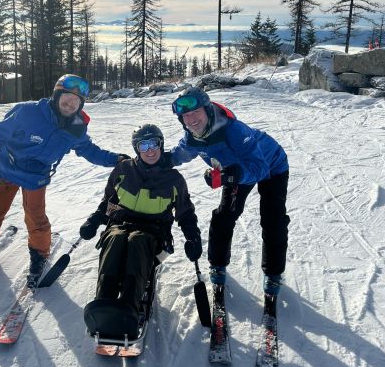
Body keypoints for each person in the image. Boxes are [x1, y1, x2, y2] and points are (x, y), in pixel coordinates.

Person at [0, 74, 129, 288]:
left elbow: (89, 150)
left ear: (81, 105)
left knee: (36, 219)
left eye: (76, 101)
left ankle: (39, 255)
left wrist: (115, 160)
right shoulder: (27, 113)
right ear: (56, 95)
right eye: (67, 97)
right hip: (5, 171)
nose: (70, 104)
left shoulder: (76, 128)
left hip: (35, 178)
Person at [170, 87, 290, 298]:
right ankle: (217, 264)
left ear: (207, 110)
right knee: (224, 216)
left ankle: (273, 272)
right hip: (234, 171)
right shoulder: (192, 137)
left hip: (272, 166)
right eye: (185, 116)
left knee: (273, 220)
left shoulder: (234, 131)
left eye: (195, 112)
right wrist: (155, 160)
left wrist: (227, 177)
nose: (191, 119)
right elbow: (180, 153)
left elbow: (260, 169)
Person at [79, 124, 202, 326]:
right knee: (115, 238)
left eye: (154, 144)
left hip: (154, 231)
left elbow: (185, 212)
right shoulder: (123, 170)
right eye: (143, 146)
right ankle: (104, 301)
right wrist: (94, 220)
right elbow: (110, 202)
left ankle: (129, 305)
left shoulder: (173, 179)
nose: (150, 150)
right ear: (137, 148)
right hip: (122, 223)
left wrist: (192, 237)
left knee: (137, 240)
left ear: (161, 145)